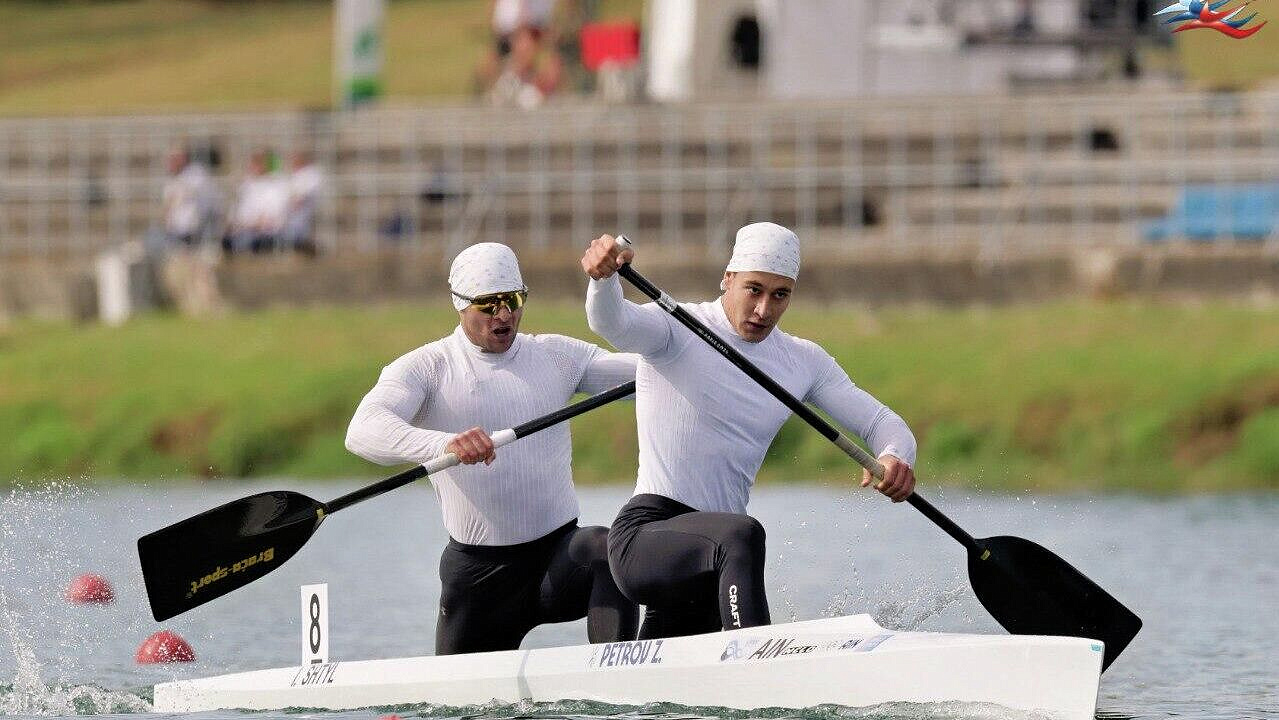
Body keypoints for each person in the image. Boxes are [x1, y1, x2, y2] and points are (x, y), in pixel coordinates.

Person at [580, 222, 918, 640]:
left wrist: (895, 455)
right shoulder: (676, 327)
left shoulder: (803, 361)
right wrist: (604, 279)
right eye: (753, 290)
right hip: (646, 538)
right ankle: (759, 661)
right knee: (743, 533)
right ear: (728, 279)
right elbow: (611, 324)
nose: (763, 310)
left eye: (780, 295)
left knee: (673, 695)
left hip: (712, 567)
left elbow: (883, 422)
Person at [345, 242, 640, 654]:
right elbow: (362, 430)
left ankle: (621, 679)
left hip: (559, 560)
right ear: (459, 305)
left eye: (514, 300)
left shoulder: (556, 356)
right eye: (488, 305)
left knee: (607, 549)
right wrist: (444, 442)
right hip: (478, 578)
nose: (505, 315)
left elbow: (650, 377)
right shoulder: (428, 368)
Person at [222, 149, 288, 254]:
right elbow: (238, 210)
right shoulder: (248, 185)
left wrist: (248, 225)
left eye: (255, 164)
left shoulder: (275, 187)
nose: (250, 168)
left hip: (262, 233)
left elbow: (270, 219)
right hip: (243, 229)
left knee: (244, 241)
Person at [160, 144, 219, 248]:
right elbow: (168, 205)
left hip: (194, 229)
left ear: (183, 159)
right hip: (175, 230)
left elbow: (191, 195)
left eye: (174, 158)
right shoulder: (170, 180)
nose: (170, 162)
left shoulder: (196, 173)